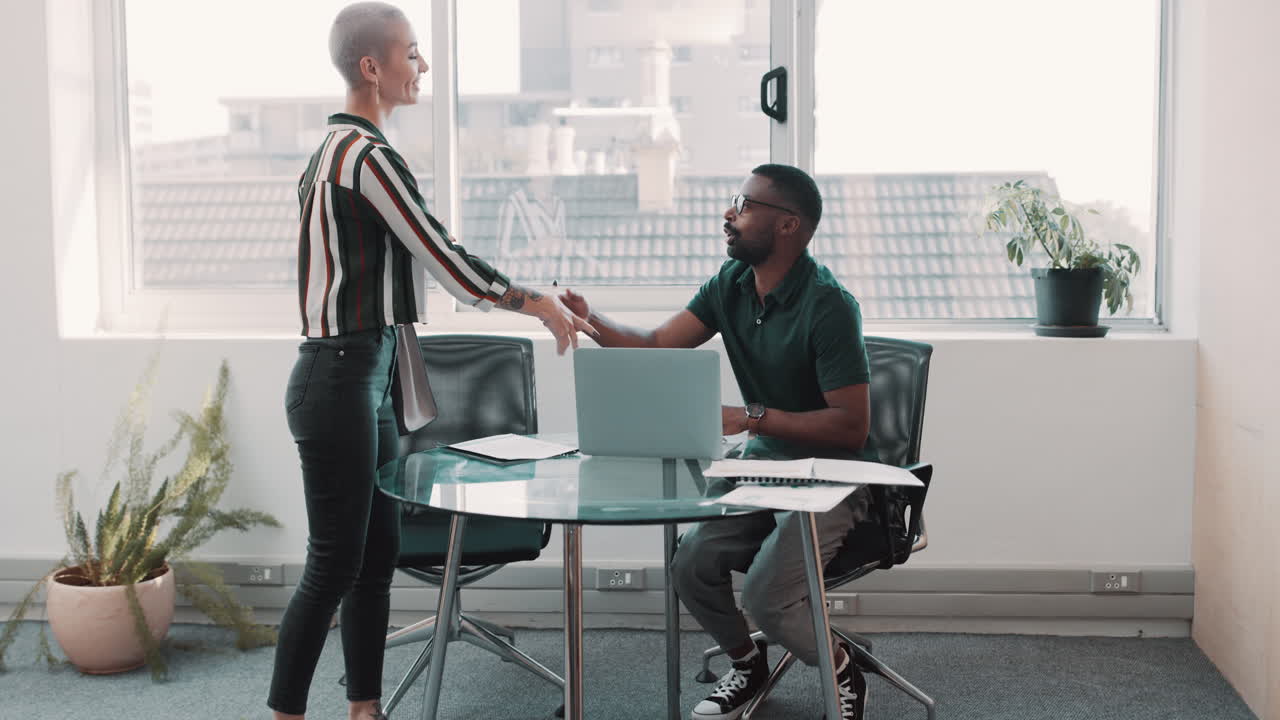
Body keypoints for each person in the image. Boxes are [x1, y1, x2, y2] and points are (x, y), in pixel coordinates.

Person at [268, 4, 594, 719]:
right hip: (340, 375)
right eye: (411, 53)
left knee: (374, 555)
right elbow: (444, 258)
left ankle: (364, 709)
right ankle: (286, 712)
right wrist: (536, 302)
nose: (422, 66)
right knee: (333, 563)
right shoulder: (366, 157)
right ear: (371, 67)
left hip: (367, 371)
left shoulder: (331, 152)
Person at [559, 163, 874, 720]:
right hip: (761, 468)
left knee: (765, 598)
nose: (729, 214)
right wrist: (592, 321)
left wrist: (753, 418)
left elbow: (851, 426)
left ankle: (842, 669)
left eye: (745, 205)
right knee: (690, 565)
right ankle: (747, 664)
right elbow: (658, 345)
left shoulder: (829, 305)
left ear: (788, 225)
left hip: (830, 479)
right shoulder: (731, 283)